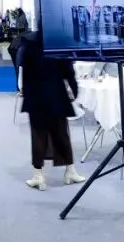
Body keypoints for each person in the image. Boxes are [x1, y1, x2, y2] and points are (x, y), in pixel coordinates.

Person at [19, 29, 86, 190]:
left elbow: (23, 70)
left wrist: (26, 93)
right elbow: (69, 71)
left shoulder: (29, 44)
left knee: (38, 136)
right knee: (62, 134)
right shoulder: (59, 44)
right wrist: (75, 90)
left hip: (35, 97)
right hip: (57, 96)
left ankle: (38, 176)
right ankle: (70, 171)